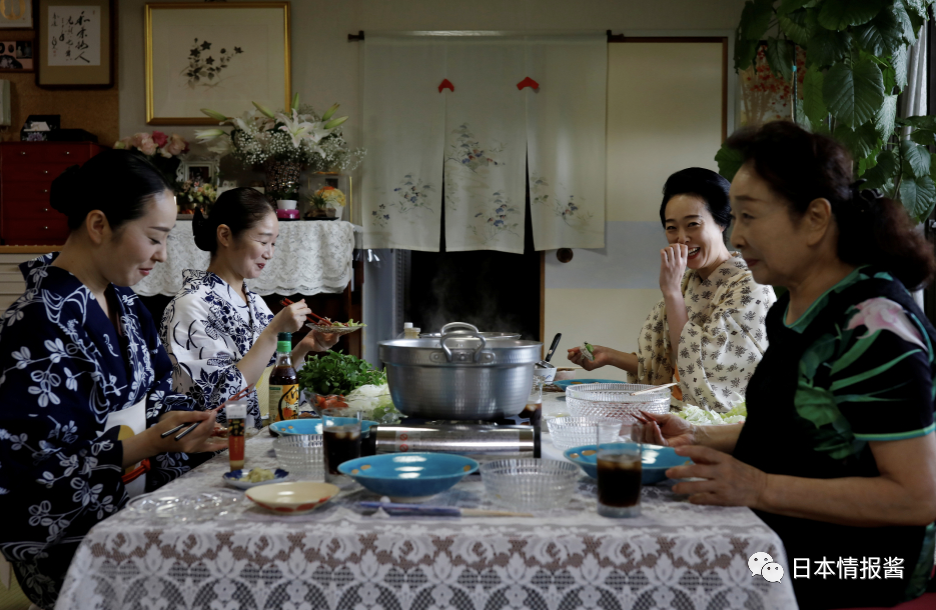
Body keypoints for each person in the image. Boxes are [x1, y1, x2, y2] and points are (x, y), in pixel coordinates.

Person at [637, 121, 936, 609]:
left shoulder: (872, 327)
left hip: (858, 565)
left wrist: (760, 486)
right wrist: (696, 438)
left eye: (750, 217)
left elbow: (918, 496)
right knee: (659, 553)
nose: (737, 237)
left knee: (687, 569)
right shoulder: (792, 308)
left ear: (815, 219)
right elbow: (795, 430)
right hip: (787, 533)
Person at [0, 150, 229, 609]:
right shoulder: (36, 323)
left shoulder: (126, 304)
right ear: (99, 225)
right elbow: (22, 475)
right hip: (70, 542)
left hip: (134, 508)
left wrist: (191, 428)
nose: (162, 255)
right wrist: (147, 445)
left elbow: (158, 394)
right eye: (154, 237)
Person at [568, 168, 776, 412]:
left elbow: (702, 368)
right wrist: (610, 357)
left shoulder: (751, 286)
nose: (682, 238)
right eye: (671, 228)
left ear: (722, 222)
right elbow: (667, 366)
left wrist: (671, 292)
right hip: (679, 413)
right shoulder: (687, 282)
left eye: (693, 224)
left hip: (728, 425)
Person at [159, 188, 338, 429]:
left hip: (253, 435)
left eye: (273, 243)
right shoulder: (189, 306)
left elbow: (266, 384)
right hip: (213, 447)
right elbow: (217, 403)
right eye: (263, 241)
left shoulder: (254, 302)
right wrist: (273, 332)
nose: (270, 253)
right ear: (225, 235)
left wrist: (303, 348)